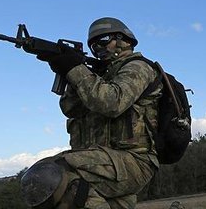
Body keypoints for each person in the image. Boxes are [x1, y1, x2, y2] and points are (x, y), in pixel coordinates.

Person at [20, 17, 162, 208]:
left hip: (133, 162)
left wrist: (75, 68)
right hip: (106, 162)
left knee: (50, 174)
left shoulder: (138, 67)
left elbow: (112, 103)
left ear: (124, 40)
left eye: (104, 41)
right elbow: (70, 108)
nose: (99, 49)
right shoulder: (97, 77)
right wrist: (69, 72)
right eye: (94, 46)